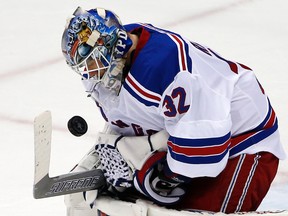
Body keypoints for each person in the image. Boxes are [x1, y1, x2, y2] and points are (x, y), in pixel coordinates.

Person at [61, 7, 286, 215]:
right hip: (190, 141)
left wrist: (157, 176)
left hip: (244, 142)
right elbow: (133, 119)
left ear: (113, 44)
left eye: (92, 62)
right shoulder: (113, 66)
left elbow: (208, 150)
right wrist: (109, 153)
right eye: (83, 66)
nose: (89, 72)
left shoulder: (167, 68)